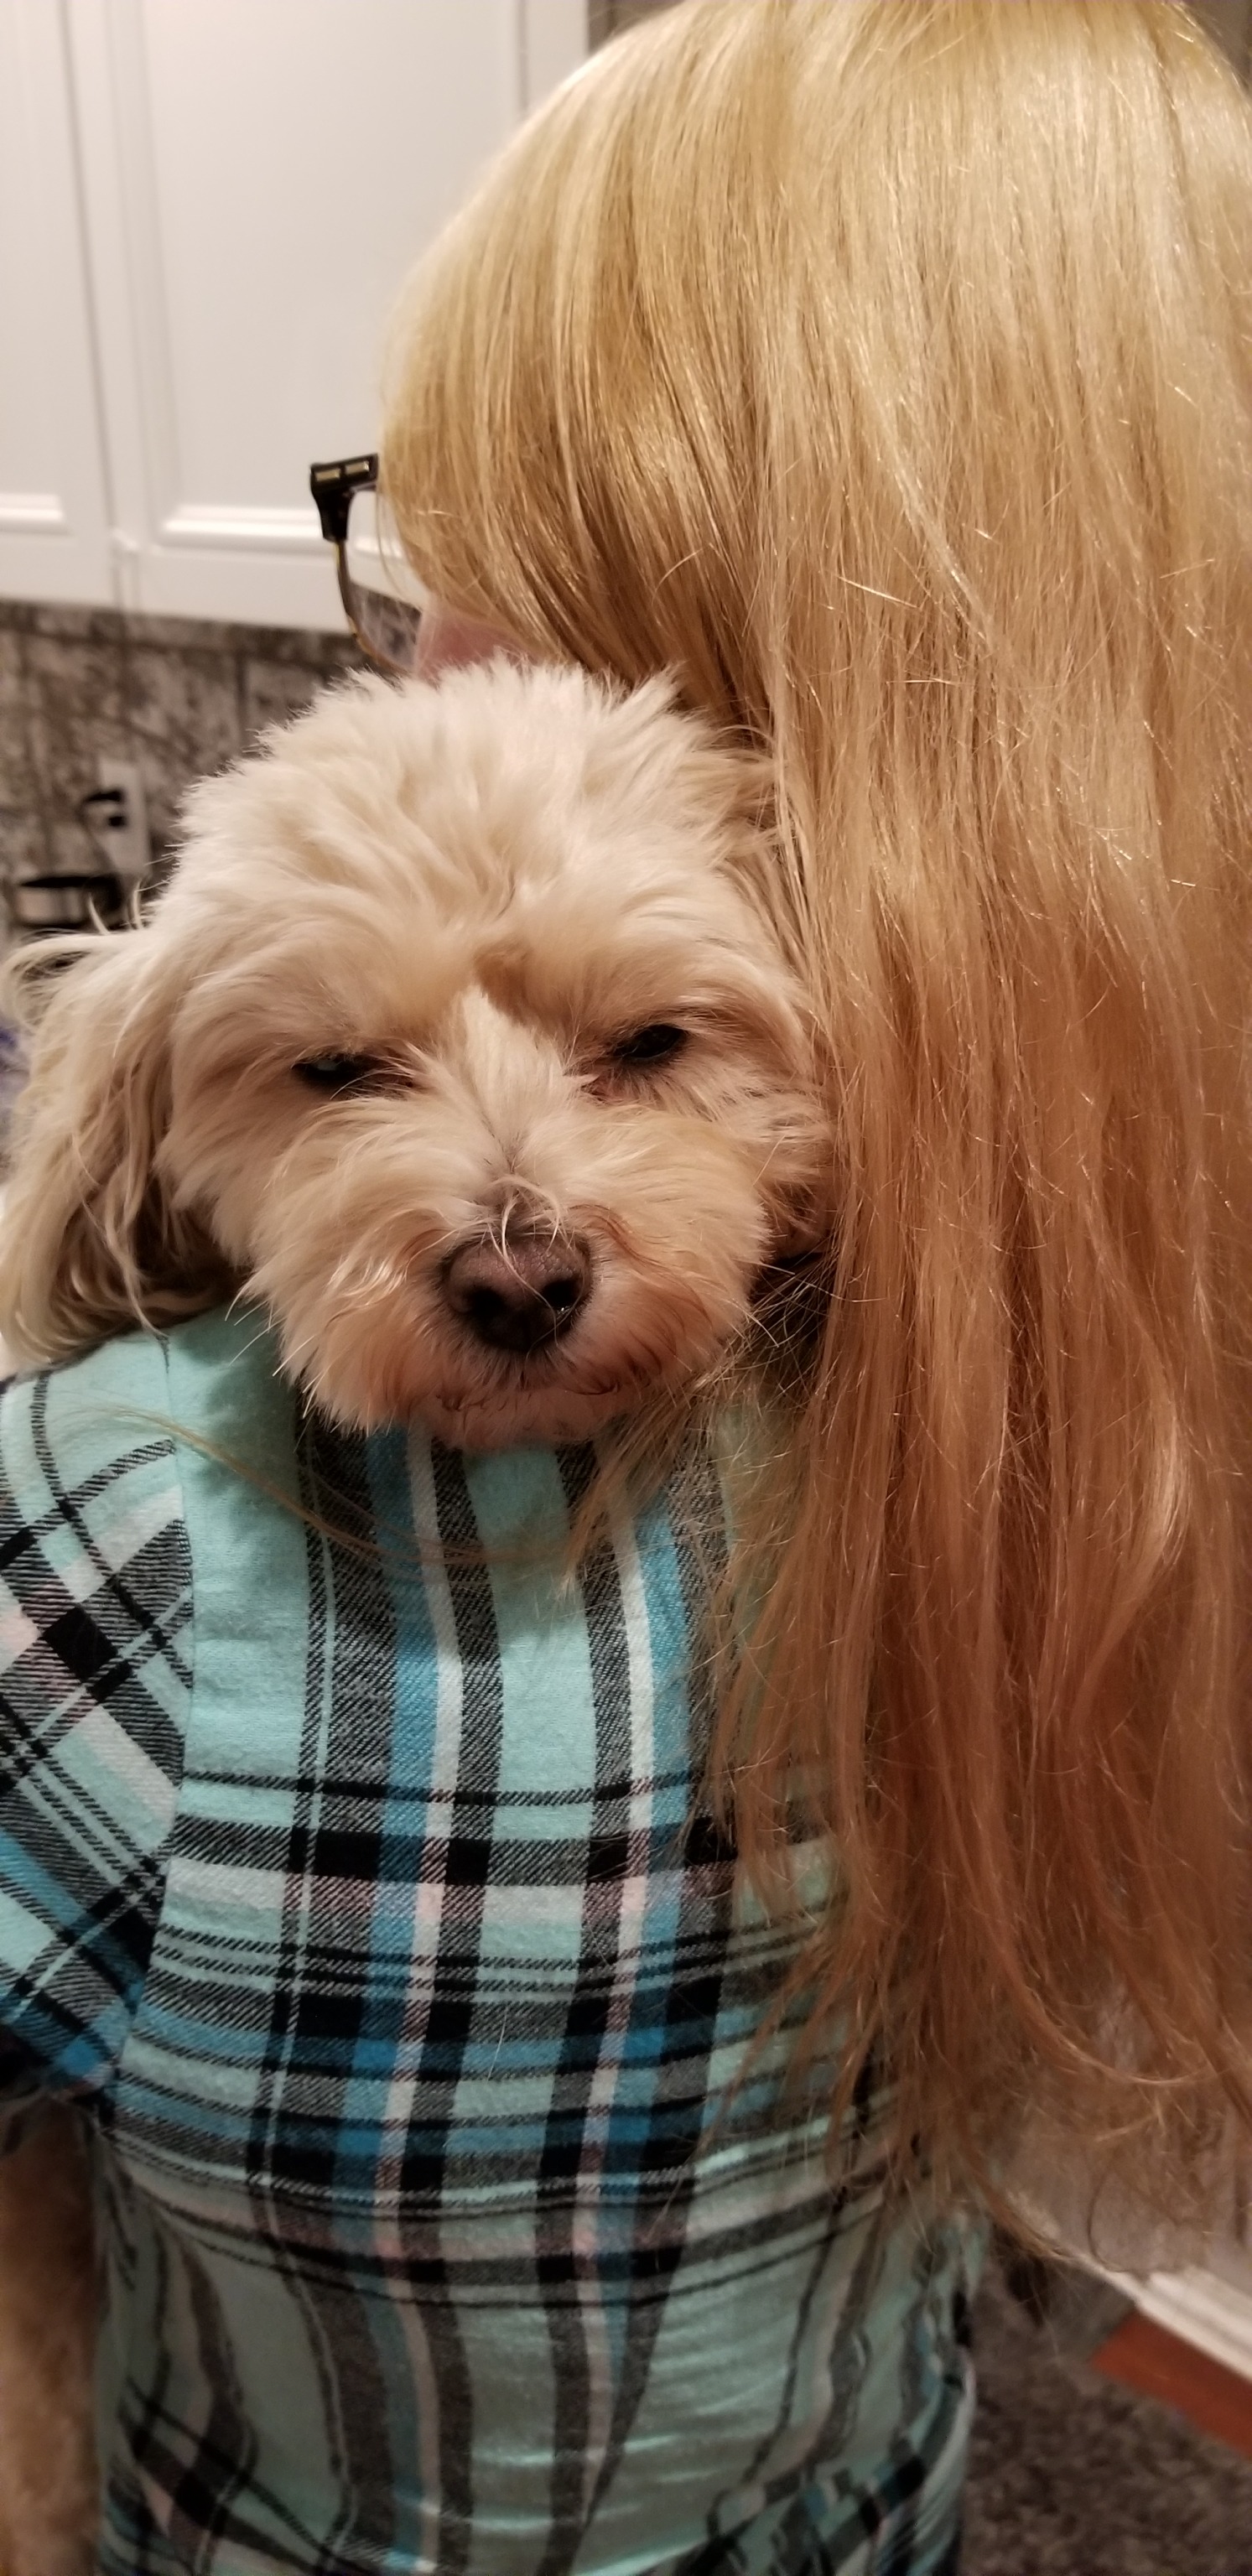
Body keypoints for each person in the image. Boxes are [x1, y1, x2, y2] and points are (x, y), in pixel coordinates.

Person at [0, 4, 1249, 2570]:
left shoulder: (113, 1551)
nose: (512, 1218)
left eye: (472, 561)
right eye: (343, 1073)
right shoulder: (1115, 1426)